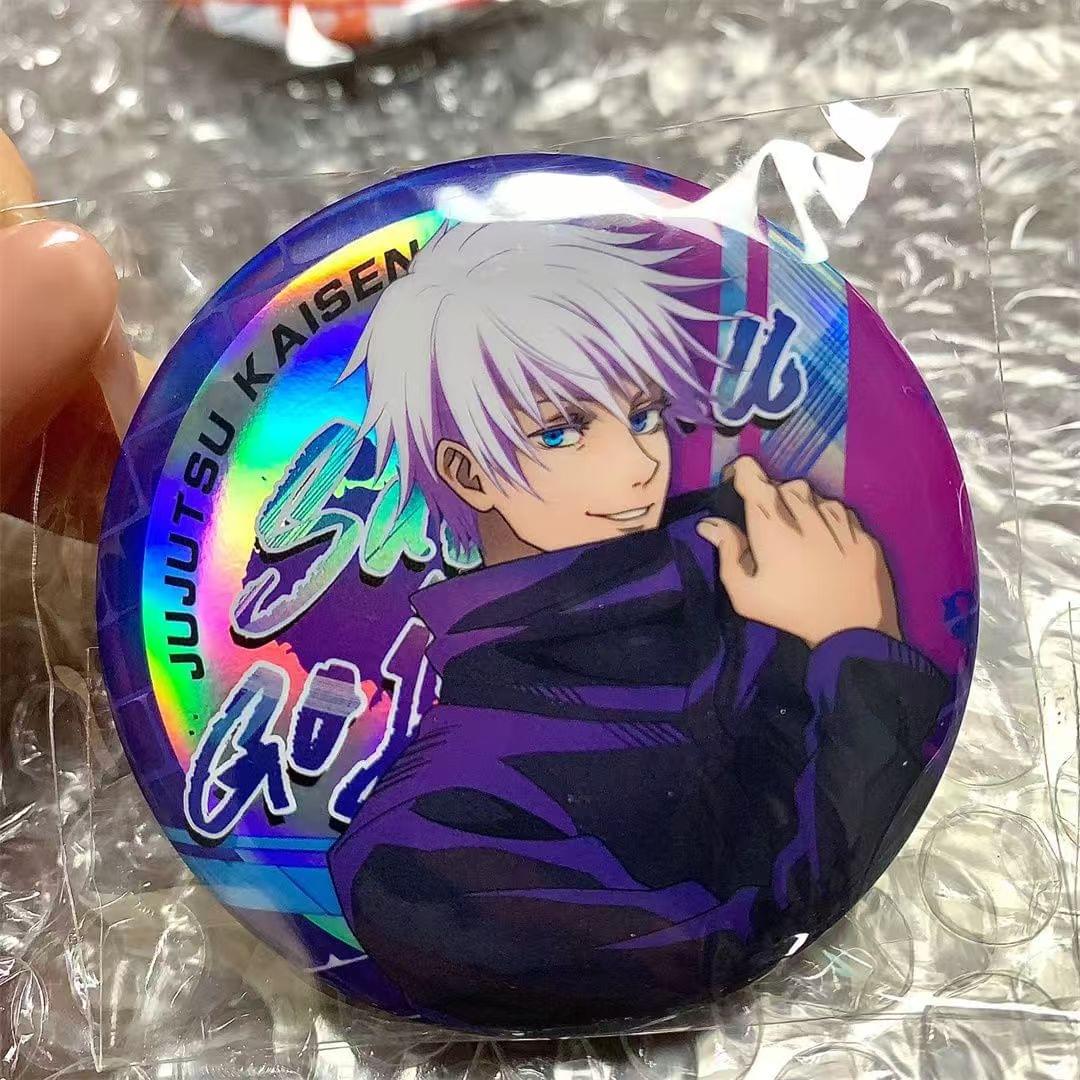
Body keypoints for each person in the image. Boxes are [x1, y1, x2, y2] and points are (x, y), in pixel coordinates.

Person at [326, 220, 953, 1030]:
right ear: (469, 472)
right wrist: (859, 650)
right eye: (561, 430)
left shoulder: (771, 571)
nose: (640, 464)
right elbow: (751, 954)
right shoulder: (425, 842)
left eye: (644, 413)